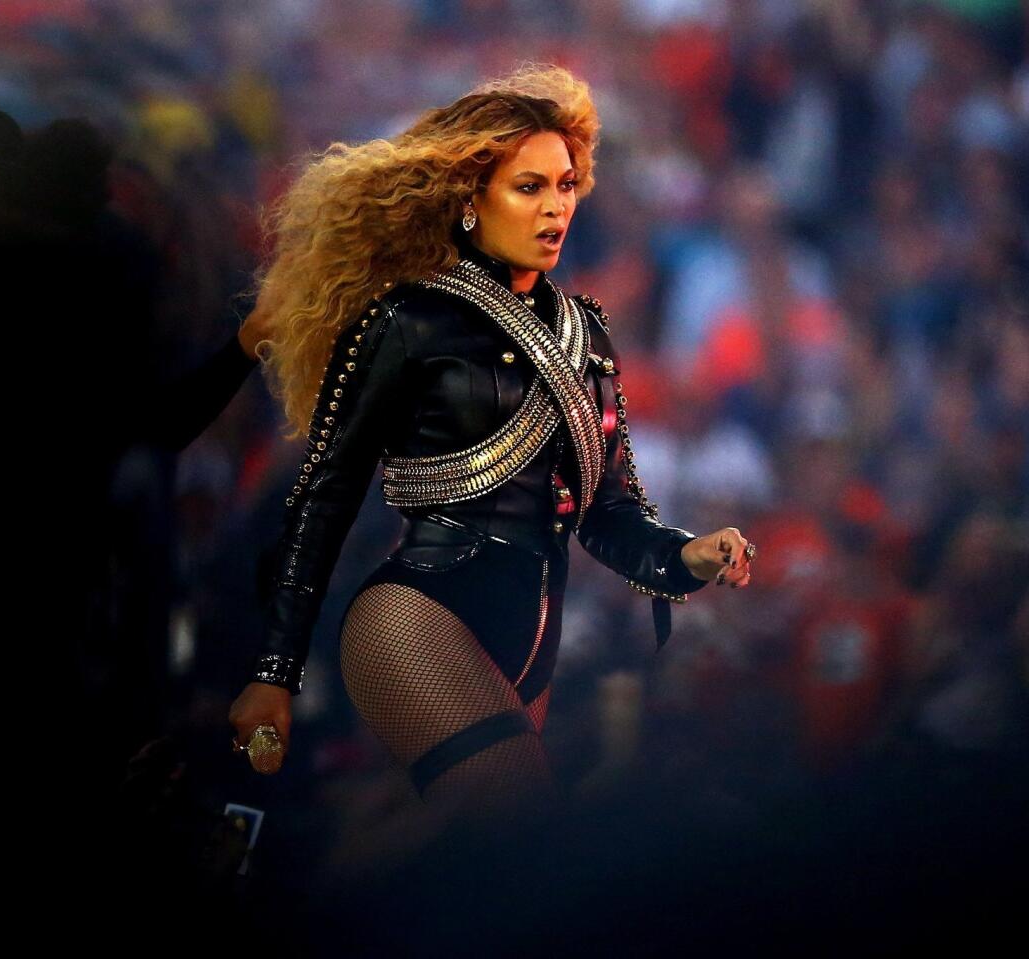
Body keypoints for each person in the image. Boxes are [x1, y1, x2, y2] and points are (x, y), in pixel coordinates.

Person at [228, 63, 758, 823]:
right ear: (470, 200)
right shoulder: (407, 323)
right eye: (529, 187)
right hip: (414, 617)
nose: (555, 208)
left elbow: (606, 511)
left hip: (531, 634)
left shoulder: (587, 330)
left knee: (456, 859)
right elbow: (326, 495)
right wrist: (275, 669)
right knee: (515, 819)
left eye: (567, 185)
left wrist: (685, 555)